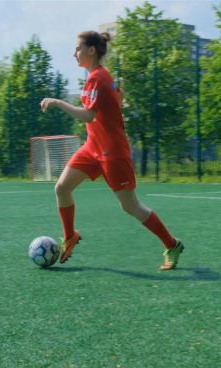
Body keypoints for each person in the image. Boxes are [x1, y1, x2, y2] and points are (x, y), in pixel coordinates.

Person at [39, 31, 184, 270]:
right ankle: (70, 236)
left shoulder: (98, 78)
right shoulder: (97, 78)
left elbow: (88, 115)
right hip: (92, 148)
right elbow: (116, 98)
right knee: (62, 188)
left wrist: (57, 102)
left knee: (130, 206)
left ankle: (171, 244)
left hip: (112, 152)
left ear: (91, 50)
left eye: (77, 48)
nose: (74, 53)